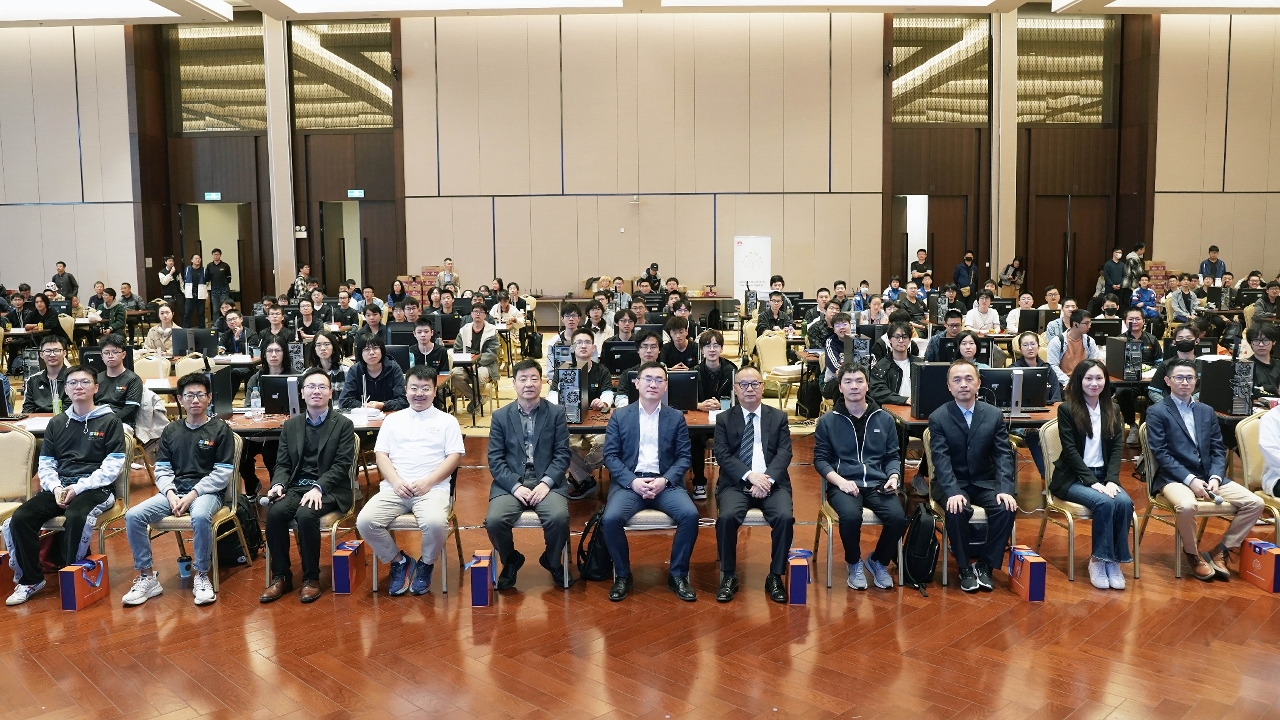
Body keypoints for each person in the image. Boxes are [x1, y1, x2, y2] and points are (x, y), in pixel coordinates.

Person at [3, 366, 125, 606]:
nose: (78, 387)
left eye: (85, 382)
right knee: (21, 517)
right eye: (73, 383)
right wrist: (57, 488)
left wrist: (77, 488)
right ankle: (30, 580)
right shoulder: (57, 422)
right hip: (60, 487)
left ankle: (72, 574)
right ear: (66, 389)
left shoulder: (110, 421)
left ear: (96, 387)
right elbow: (47, 464)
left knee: (77, 515)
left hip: (96, 489)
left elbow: (112, 467)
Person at [1145, 359, 1265, 581]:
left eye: (1189, 378)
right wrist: (1190, 479)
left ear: (1196, 381)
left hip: (1209, 475)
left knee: (1255, 503)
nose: (1185, 382)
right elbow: (1161, 454)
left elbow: (1217, 449)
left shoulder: (1206, 411)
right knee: (1186, 506)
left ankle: (1223, 550)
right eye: (1179, 378)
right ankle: (1192, 553)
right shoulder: (1157, 411)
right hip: (1174, 477)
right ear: (1168, 381)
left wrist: (1216, 477)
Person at [122, 372, 234, 606]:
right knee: (133, 515)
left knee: (200, 515)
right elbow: (162, 470)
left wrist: (192, 495)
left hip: (207, 493)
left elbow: (222, 473)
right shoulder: (171, 431)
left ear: (209, 398)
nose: (195, 400)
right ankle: (147, 577)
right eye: (189, 395)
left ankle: (201, 574)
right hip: (174, 492)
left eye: (200, 395)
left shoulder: (220, 429)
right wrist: (171, 494)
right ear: (180, 400)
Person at [353, 366, 463, 597]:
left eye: (425, 388)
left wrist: (428, 482)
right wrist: (395, 482)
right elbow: (381, 455)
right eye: (414, 388)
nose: (419, 393)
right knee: (365, 521)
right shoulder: (392, 420)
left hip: (432, 489)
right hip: (395, 488)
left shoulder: (447, 421)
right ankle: (399, 561)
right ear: (405, 390)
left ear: (435, 391)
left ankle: (426, 563)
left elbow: (454, 457)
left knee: (435, 522)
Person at [601, 362, 698, 602]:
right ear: (637, 383)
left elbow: (684, 457)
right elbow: (610, 456)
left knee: (690, 515)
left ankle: (678, 575)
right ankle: (623, 575)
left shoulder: (676, 417)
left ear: (666, 386)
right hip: (630, 484)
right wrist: (632, 481)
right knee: (610, 519)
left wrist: (665, 480)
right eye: (648, 379)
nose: (653, 384)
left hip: (665, 484)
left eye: (659, 380)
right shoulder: (620, 416)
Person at [259, 369, 357, 603]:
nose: (316, 391)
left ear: (330, 393)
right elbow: (283, 463)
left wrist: (319, 487)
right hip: (297, 487)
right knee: (275, 513)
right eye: (311, 387)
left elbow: (341, 466)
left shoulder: (343, 425)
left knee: (306, 514)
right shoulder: (291, 425)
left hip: (330, 489)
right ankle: (281, 576)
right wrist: (278, 484)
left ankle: (311, 578)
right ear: (302, 393)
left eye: (322, 387)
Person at [484, 359, 574, 590]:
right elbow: (495, 459)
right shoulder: (501, 416)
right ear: (514, 383)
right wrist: (515, 486)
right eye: (522, 379)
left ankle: (552, 560)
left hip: (547, 481)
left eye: (534, 378)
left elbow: (563, 454)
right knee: (494, 521)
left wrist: (546, 483)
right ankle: (511, 560)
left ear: (541, 382)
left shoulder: (556, 413)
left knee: (559, 518)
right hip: (511, 482)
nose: (529, 384)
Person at [815, 362, 906, 591]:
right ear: (840, 387)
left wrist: (893, 476)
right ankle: (854, 562)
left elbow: (892, 455)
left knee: (898, 518)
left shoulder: (885, 418)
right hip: (843, 483)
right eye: (848, 381)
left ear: (867, 385)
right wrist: (840, 482)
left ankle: (878, 561)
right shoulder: (828, 421)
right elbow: (821, 460)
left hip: (877, 483)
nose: (854, 386)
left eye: (859, 381)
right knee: (850, 516)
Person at [929, 359, 1017, 593]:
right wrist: (953, 492)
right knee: (956, 508)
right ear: (949, 386)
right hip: (953, 482)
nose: (963, 384)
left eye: (969, 379)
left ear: (978, 383)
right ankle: (964, 567)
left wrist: (1005, 489)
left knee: (1006, 507)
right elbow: (941, 460)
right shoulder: (938, 417)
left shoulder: (994, 415)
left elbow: (1003, 455)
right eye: (957, 380)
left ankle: (986, 565)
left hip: (984, 482)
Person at [712, 365, 794, 603]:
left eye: (755, 384)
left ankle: (775, 576)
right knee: (726, 517)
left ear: (763, 387)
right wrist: (750, 476)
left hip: (772, 483)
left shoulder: (778, 417)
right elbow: (722, 455)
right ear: (736, 389)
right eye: (744, 384)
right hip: (736, 483)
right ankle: (729, 575)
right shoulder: (724, 419)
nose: (750, 389)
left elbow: (784, 453)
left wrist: (765, 480)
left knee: (784, 518)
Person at [1050, 360, 1133, 590]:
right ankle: (1098, 560)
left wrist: (1112, 479)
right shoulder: (1067, 409)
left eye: (1099, 378)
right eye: (1088, 378)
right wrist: (1091, 482)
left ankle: (1114, 562)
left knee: (1124, 502)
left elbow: (1116, 449)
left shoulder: (1113, 409)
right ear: (1079, 381)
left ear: (1106, 381)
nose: (1094, 383)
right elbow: (1070, 451)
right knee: (1104, 503)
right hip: (1072, 478)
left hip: (1104, 476)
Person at [548, 329, 614, 500]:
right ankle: (585, 479)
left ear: (593, 348)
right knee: (561, 444)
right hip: (570, 421)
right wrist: (560, 404)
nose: (583, 346)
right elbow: (552, 394)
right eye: (579, 342)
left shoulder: (602, 370)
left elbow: (608, 392)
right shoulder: (562, 370)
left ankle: (579, 475)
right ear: (572, 347)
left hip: (595, 420)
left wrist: (603, 402)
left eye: (587, 342)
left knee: (606, 443)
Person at [240, 340, 290, 497]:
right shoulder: (255, 378)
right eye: (269, 351)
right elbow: (248, 406)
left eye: (278, 350)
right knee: (241, 452)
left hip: (281, 431)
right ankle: (252, 484)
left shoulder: (293, 376)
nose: (273, 355)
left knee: (270, 453)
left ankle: (277, 491)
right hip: (259, 428)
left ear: (284, 353)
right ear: (264, 354)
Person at [451, 303, 499, 414]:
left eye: (481, 312)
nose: (478, 314)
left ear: (485, 315)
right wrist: (467, 362)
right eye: (475, 311)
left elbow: (492, 353)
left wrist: (476, 363)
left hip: (486, 364)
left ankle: (475, 401)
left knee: (479, 376)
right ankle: (477, 399)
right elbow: (457, 350)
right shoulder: (464, 330)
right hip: (466, 364)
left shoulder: (492, 331)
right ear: (471, 314)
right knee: (454, 376)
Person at [339, 336, 408, 411]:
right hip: (363, 415)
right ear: (360, 353)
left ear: (381, 350)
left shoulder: (393, 368)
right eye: (366, 349)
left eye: (375, 348)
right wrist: (365, 406)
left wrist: (383, 405)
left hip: (389, 414)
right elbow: (344, 401)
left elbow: (403, 400)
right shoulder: (355, 370)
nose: (371, 353)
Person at [93, 334, 143, 427]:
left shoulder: (133, 379)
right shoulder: (96, 378)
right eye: (106, 353)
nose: (110, 356)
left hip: (121, 423)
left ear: (123, 354)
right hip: (96, 419)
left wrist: (107, 421)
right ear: (102, 356)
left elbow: (130, 409)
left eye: (115, 352)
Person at [1048, 309, 1099, 387]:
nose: (1089, 326)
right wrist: (1068, 382)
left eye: (1090, 323)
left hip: (1084, 381)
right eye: (1086, 323)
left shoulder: (1090, 341)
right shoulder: (1057, 341)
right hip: (1063, 382)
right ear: (1075, 324)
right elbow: (1053, 366)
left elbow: (1093, 363)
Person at [869, 322, 915, 406]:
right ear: (889, 339)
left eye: (905, 337)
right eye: (897, 337)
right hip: (893, 408)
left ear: (909, 340)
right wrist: (903, 400)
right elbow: (877, 392)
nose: (901, 340)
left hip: (917, 407)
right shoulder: (881, 366)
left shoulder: (919, 364)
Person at [22, 335, 70, 414]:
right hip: (37, 420)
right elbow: (27, 409)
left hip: (65, 420)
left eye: (56, 350)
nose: (52, 354)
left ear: (64, 353)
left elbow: (72, 408)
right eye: (48, 351)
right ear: (41, 355)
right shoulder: (32, 380)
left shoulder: (74, 378)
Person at [307, 329, 348, 395]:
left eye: (326, 344)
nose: (323, 348)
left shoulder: (346, 372)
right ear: (314, 349)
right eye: (318, 345)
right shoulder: (308, 374)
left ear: (333, 347)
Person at [822, 313, 855, 390]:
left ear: (851, 326)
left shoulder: (858, 340)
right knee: (842, 386)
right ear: (834, 330)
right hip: (833, 380)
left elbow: (870, 359)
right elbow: (835, 366)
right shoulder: (830, 341)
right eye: (837, 325)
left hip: (856, 377)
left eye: (844, 324)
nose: (841, 327)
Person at [1248, 322, 1280, 397]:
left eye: (1266, 340)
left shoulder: (1278, 364)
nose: (1261, 345)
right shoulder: (1246, 367)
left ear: (1274, 342)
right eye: (1256, 340)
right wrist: (1274, 390)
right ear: (1250, 343)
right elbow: (1249, 392)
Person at [180, 254, 209, 328]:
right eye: (196, 258)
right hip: (190, 294)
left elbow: (207, 282)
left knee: (201, 313)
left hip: (201, 294)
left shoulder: (204, 270)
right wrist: (185, 291)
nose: (198, 260)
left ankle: (202, 329)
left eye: (199, 258)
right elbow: (183, 280)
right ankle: (185, 329)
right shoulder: (187, 269)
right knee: (187, 312)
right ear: (192, 260)